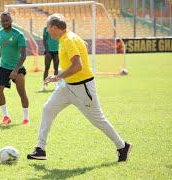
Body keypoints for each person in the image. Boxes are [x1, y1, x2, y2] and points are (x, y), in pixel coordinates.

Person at [27, 14, 132, 162]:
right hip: (67, 86)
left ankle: (122, 146)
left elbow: (78, 66)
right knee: (48, 108)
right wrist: (62, 77)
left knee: (98, 120)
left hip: (83, 87)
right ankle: (40, 149)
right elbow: (84, 46)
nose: (47, 31)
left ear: (55, 28)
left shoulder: (68, 40)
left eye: (48, 28)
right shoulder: (68, 37)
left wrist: (57, 76)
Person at [0, 12, 29, 125]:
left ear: (11, 21)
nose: (5, 22)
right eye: (3, 21)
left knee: (21, 92)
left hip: (17, 67)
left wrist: (15, 70)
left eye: (7, 20)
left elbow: (23, 55)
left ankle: (25, 118)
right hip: (3, 66)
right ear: (1, 22)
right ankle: (6, 116)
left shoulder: (18, 35)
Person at [40, 26, 59, 91]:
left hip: (57, 51)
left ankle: (56, 85)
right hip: (49, 51)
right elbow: (44, 40)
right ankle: (44, 86)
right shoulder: (46, 28)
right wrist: (47, 51)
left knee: (56, 68)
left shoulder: (58, 28)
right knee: (46, 68)